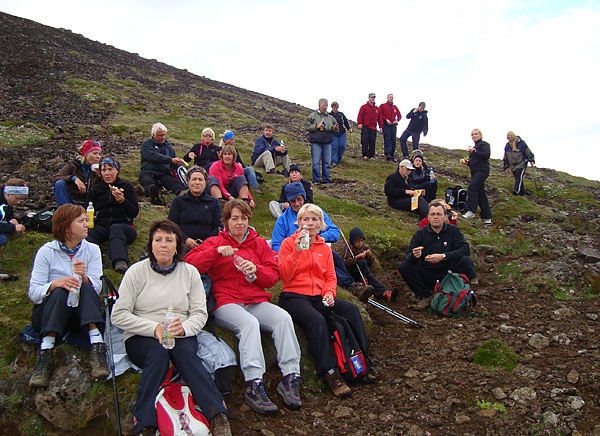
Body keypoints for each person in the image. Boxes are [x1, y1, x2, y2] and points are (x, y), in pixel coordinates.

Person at [111, 220, 231, 436]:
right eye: (158, 240)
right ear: (150, 245)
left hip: (179, 329)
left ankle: (217, 414)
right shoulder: (136, 272)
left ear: (177, 247)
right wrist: (152, 327)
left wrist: (184, 328)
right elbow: (118, 315)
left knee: (186, 355)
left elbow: (199, 313)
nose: (163, 245)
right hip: (142, 334)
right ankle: (145, 423)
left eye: (169, 240)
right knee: (156, 357)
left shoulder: (190, 273)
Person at [185, 200, 302, 414]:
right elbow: (189, 264)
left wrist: (256, 269)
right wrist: (216, 252)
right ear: (226, 221)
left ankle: (290, 377)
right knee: (249, 324)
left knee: (283, 318)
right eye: (235, 218)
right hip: (225, 301)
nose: (240, 222)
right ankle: (254, 383)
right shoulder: (215, 241)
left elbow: (272, 278)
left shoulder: (258, 244)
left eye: (244, 218)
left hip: (255, 300)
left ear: (249, 220)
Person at [278, 204, 372, 398]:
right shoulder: (289, 243)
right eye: (305, 219)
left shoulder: (324, 248)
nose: (310, 224)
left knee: (351, 310)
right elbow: (284, 275)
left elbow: (330, 277)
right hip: (294, 295)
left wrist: (329, 293)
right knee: (316, 320)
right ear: (299, 222)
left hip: (320, 295)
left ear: (321, 224)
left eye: (314, 220)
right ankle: (330, 373)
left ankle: (363, 361)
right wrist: (297, 251)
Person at [28, 204, 108, 388]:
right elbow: (34, 293)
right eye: (81, 221)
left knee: (85, 288)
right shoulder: (46, 252)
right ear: (66, 227)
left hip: (80, 314)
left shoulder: (92, 250)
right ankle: (45, 351)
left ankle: (97, 347)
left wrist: (85, 277)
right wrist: (55, 284)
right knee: (60, 290)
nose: (86, 224)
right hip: (50, 315)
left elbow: (96, 288)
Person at [271, 182, 373, 301]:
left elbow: (335, 231)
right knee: (325, 263)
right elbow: (276, 245)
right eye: (292, 201)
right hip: (297, 255)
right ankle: (351, 287)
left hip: (318, 248)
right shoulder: (282, 220)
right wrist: (292, 250)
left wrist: (323, 237)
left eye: (299, 199)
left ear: (304, 197)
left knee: (335, 258)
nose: (297, 203)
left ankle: (352, 284)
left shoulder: (315, 212)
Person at [398, 201, 477, 311]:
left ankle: (457, 292)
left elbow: (465, 250)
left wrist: (444, 256)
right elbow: (408, 257)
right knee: (404, 266)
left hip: (448, 273)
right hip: (427, 273)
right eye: (432, 214)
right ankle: (425, 296)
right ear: (428, 217)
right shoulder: (420, 233)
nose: (435, 217)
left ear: (445, 217)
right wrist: (414, 255)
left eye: (439, 214)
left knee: (466, 261)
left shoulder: (453, 230)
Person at [86, 157, 138, 273]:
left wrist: (123, 201)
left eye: (110, 169)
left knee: (116, 228)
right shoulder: (95, 190)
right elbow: (86, 210)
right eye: (104, 170)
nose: (107, 173)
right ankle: (97, 262)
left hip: (124, 226)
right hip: (102, 226)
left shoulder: (126, 187)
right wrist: (88, 216)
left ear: (117, 171)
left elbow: (134, 212)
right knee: (88, 233)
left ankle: (120, 261)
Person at [168, 166, 222, 252]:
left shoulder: (214, 202)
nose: (197, 182)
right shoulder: (178, 201)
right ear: (188, 182)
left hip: (208, 246)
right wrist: (185, 239)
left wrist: (206, 243)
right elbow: (171, 225)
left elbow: (218, 227)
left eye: (200, 179)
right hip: (182, 245)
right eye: (194, 179)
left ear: (205, 183)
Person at [341, 227, 395, 302]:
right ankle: (363, 282)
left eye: (361, 241)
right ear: (353, 241)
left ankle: (385, 293)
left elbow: (370, 263)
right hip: (354, 272)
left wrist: (369, 256)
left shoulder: (364, 247)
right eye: (357, 241)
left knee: (371, 279)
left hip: (364, 273)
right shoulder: (349, 247)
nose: (360, 243)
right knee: (362, 261)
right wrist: (356, 258)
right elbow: (344, 262)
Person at [139, 123, 186, 205]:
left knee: (174, 183)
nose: (163, 137)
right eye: (160, 135)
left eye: (164, 135)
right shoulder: (147, 145)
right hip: (148, 171)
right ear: (153, 135)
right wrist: (171, 160)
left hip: (164, 173)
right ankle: (153, 196)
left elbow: (174, 164)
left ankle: (184, 195)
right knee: (148, 182)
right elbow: (155, 157)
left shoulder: (168, 147)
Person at [52, 140, 101, 206]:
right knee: (60, 183)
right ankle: (64, 212)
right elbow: (56, 178)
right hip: (72, 200)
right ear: (86, 154)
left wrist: (100, 175)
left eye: (99, 154)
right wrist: (74, 178)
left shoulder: (97, 169)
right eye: (95, 153)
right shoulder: (73, 165)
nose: (98, 157)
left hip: (89, 203)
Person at [305, 98, 339, 184]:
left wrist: (335, 128)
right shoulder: (313, 115)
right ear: (319, 105)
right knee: (316, 162)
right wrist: (316, 126)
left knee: (327, 162)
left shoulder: (330, 117)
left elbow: (335, 130)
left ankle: (326, 179)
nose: (326, 107)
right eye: (324, 105)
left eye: (327, 105)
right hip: (316, 141)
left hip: (327, 141)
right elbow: (306, 125)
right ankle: (316, 179)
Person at [219, 130, 263, 195]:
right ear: (225, 140)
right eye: (230, 140)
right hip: (227, 172)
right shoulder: (219, 150)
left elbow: (241, 163)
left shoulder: (234, 150)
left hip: (238, 169)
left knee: (250, 169)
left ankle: (255, 188)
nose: (232, 142)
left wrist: (255, 173)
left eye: (233, 140)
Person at [462, 128, 492, 224]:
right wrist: (468, 163)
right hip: (475, 171)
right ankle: (486, 217)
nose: (474, 136)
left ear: (480, 135)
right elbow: (476, 161)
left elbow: (486, 155)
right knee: (481, 193)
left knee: (472, 187)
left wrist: (474, 151)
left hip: (482, 171)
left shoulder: (484, 145)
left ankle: (471, 211)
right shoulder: (475, 148)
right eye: (473, 135)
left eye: (476, 134)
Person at [503, 131, 535, 196]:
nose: (510, 140)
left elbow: (528, 152)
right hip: (513, 165)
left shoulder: (522, 143)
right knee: (518, 179)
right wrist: (506, 166)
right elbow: (505, 157)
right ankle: (522, 193)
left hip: (521, 164)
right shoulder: (507, 146)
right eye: (508, 138)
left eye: (511, 138)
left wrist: (531, 160)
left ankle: (516, 191)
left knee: (518, 176)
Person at [1, 178, 27, 247]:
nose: (18, 202)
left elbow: (8, 215)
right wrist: (13, 227)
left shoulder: (8, 203)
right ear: (9, 193)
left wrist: (11, 219)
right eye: (17, 198)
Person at [357, 93, 382, 160]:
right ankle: (364, 155)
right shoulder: (364, 107)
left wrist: (380, 127)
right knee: (364, 141)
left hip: (373, 127)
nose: (372, 98)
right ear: (369, 98)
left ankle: (371, 155)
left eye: (374, 97)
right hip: (365, 126)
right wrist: (359, 123)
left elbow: (379, 118)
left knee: (372, 141)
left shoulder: (377, 109)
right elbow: (360, 115)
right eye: (371, 97)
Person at [329, 102, 352, 166]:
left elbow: (345, 122)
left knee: (342, 146)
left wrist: (349, 128)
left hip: (342, 132)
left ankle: (339, 160)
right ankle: (334, 161)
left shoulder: (341, 114)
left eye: (336, 107)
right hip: (333, 133)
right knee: (334, 146)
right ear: (332, 107)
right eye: (334, 107)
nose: (335, 109)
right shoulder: (329, 115)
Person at [379, 94, 401, 161]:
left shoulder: (395, 107)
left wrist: (396, 120)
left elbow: (399, 115)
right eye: (390, 97)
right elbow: (380, 114)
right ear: (387, 98)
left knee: (393, 139)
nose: (391, 98)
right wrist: (386, 119)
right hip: (386, 124)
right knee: (387, 139)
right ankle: (387, 153)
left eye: (392, 97)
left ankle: (392, 154)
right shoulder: (383, 106)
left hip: (393, 125)